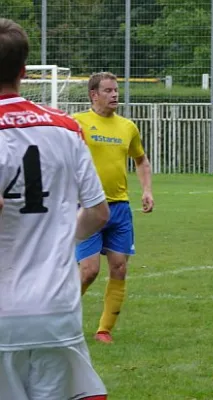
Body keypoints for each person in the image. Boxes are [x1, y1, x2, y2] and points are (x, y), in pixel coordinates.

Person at [0, 18, 109, 398]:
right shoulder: (66, 127)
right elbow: (97, 213)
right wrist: (63, 235)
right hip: (56, 308)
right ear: (24, 71)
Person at [74, 71, 155, 344]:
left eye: (116, 90)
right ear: (93, 94)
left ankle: (104, 330)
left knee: (119, 268)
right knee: (89, 270)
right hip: (88, 207)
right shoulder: (77, 124)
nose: (114, 95)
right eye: (108, 90)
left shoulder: (128, 127)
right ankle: (59, 315)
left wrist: (146, 190)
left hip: (119, 207)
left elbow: (141, 161)